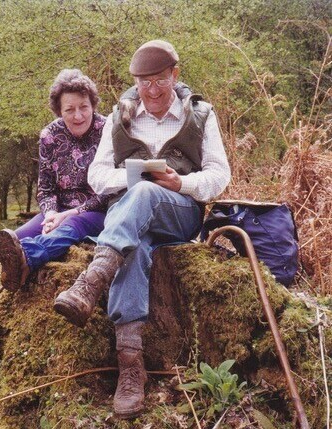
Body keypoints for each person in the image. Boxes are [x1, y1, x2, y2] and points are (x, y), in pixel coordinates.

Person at [53, 40, 231, 418]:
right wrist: (133, 177)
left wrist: (179, 184)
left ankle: (91, 280)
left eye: (159, 82)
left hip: (180, 213)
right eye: (143, 82)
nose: (151, 91)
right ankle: (130, 368)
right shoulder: (121, 116)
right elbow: (97, 175)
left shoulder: (199, 114)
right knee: (133, 249)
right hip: (132, 219)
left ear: (175, 76)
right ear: (134, 81)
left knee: (149, 193)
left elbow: (219, 175)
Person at [0, 69, 109, 292]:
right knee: (16, 239)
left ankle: (29, 258)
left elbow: (110, 192)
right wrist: (50, 216)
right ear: (59, 111)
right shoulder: (49, 136)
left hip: (97, 211)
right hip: (59, 210)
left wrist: (67, 215)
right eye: (70, 109)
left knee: (73, 224)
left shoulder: (108, 130)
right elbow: (46, 189)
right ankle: (21, 276)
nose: (78, 116)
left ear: (92, 105)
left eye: (84, 107)